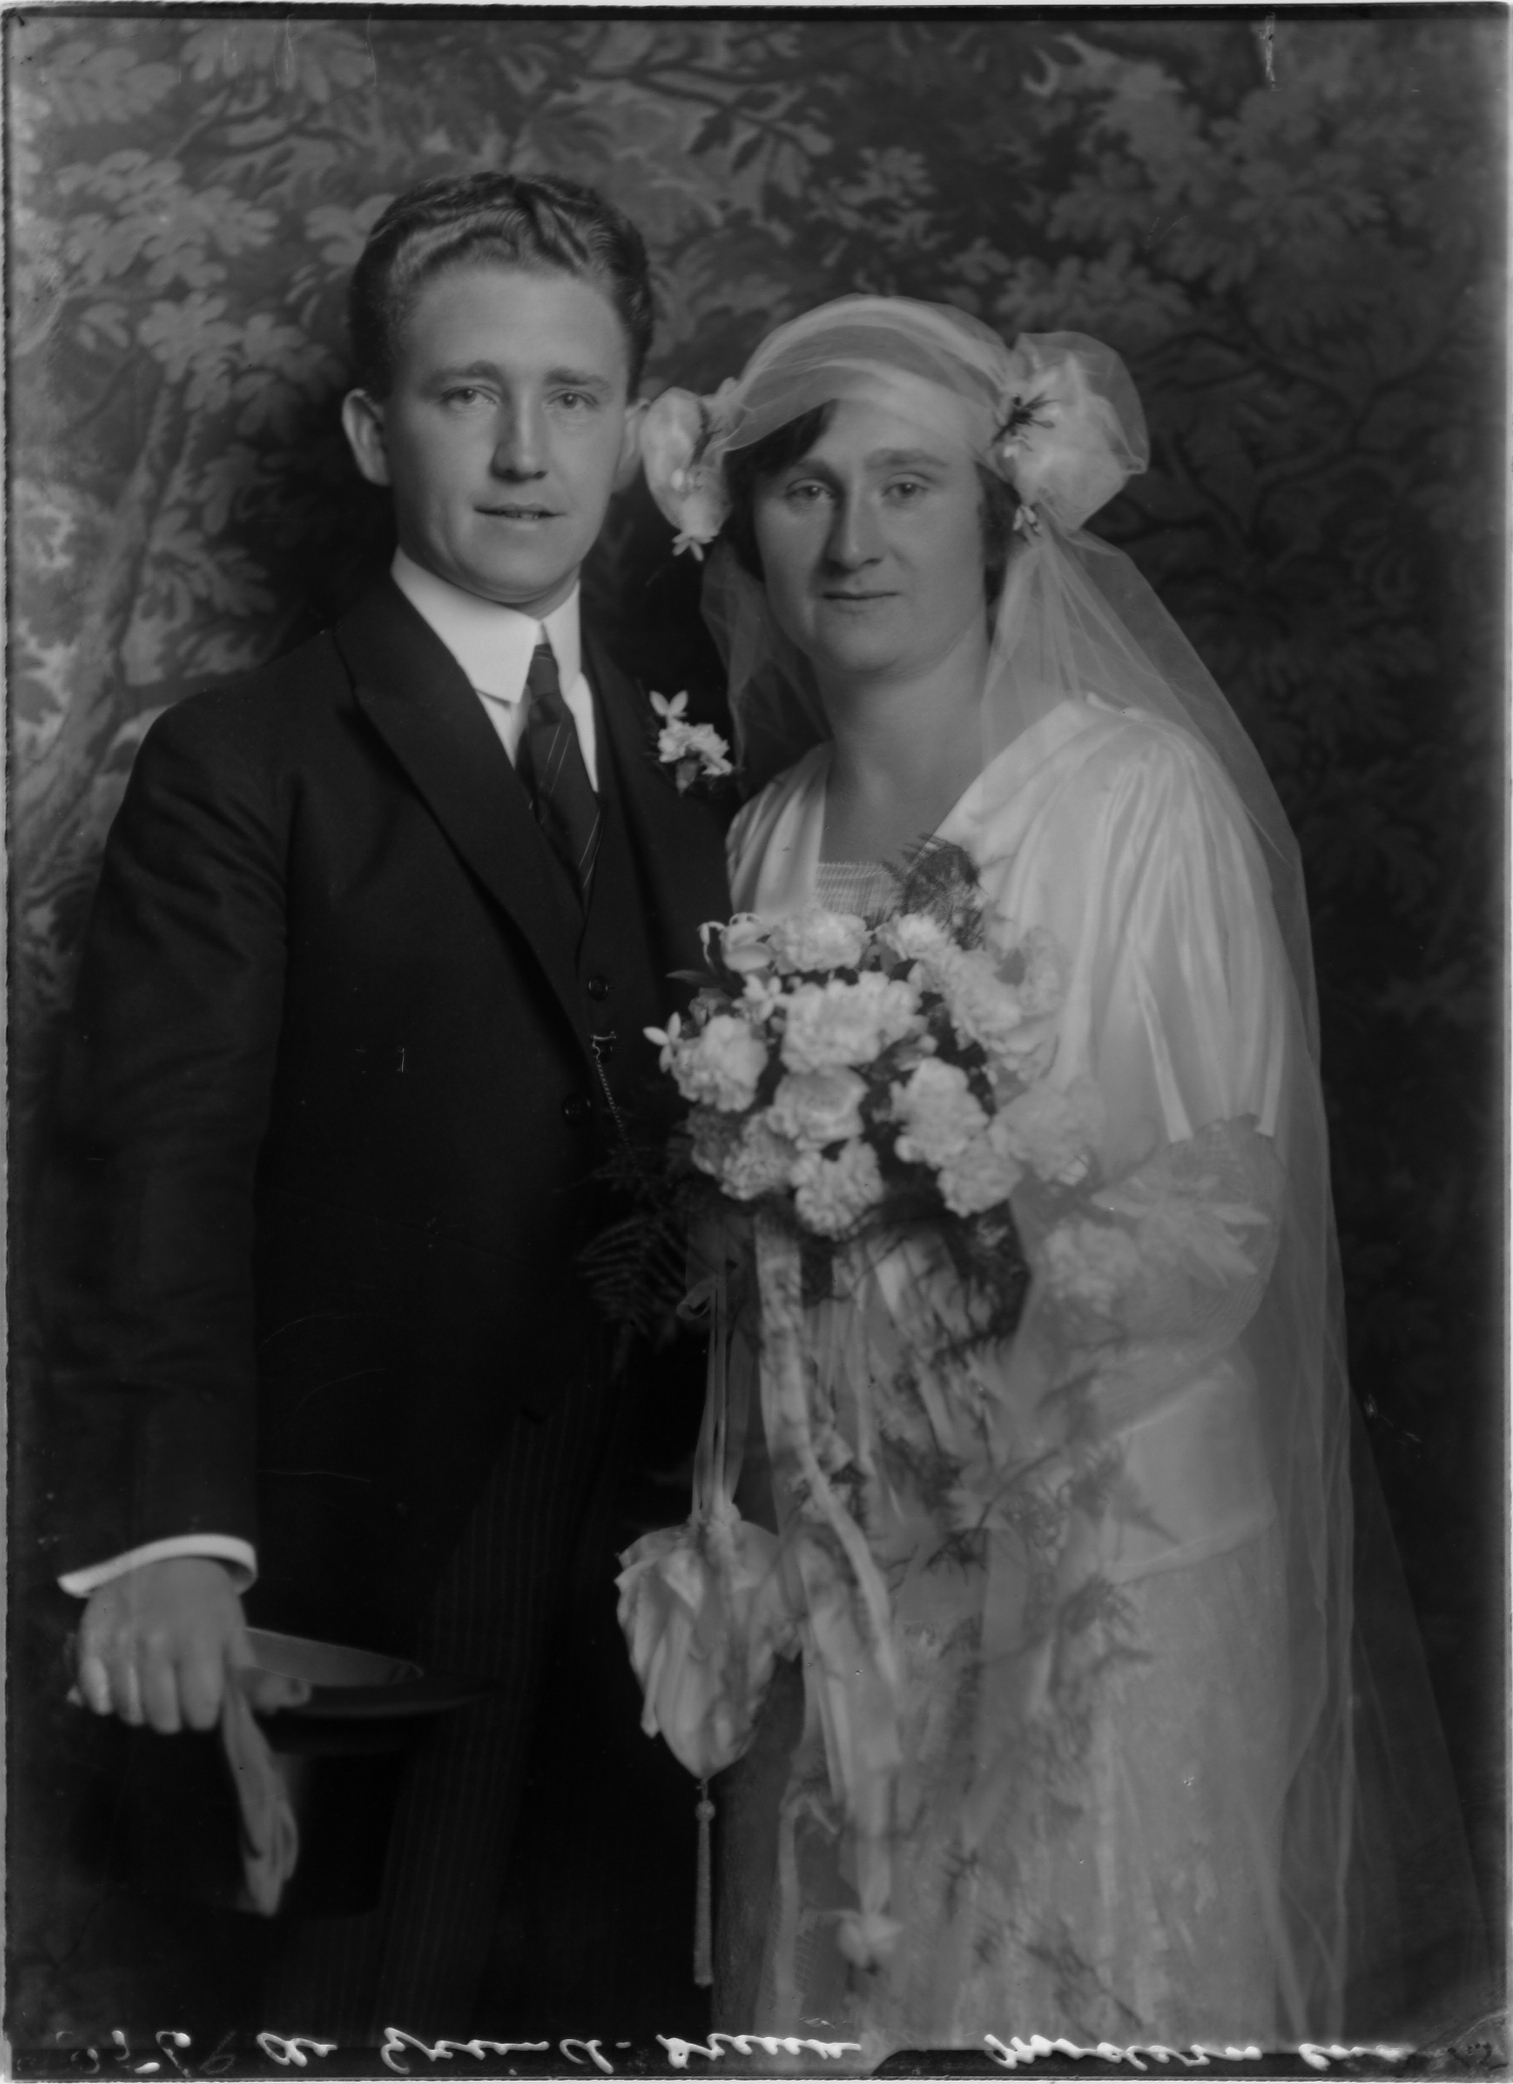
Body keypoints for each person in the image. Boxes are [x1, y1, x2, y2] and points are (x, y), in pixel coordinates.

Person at [630, 298, 1488, 2057]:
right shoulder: (762, 836)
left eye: (908, 485)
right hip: (853, 1577)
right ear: (742, 525)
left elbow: (1223, 1211)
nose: (853, 540)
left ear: (1001, 512)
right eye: (804, 490)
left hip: (1105, 1561)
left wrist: (983, 1328)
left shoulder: (1134, 801)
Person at [42, 171, 730, 2041]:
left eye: (571, 397)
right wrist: (172, 1539)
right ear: (371, 430)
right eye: (464, 394)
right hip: (379, 1568)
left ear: (630, 429)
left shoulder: (702, 763)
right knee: (365, 2027)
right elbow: (157, 1163)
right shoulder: (246, 760)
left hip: (668, 1578)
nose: (523, 454)